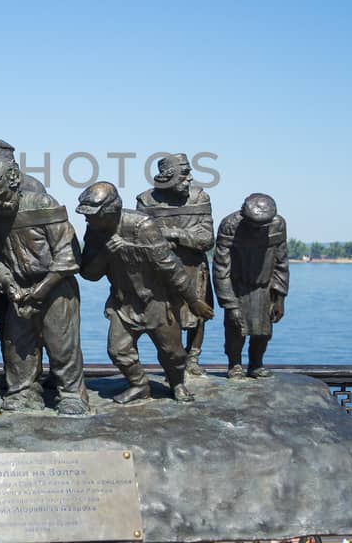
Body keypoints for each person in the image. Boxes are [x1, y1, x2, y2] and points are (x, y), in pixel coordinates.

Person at [76, 182, 215, 404]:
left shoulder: (142, 225)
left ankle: (177, 383)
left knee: (173, 352)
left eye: (92, 214)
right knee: (118, 350)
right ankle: (139, 385)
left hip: (157, 302)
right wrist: (105, 254)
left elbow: (170, 265)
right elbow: (89, 274)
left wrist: (193, 301)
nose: (87, 219)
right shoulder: (94, 231)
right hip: (124, 303)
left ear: (110, 210)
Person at [0, 156, 89, 416]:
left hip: (56, 286)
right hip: (19, 289)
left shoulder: (43, 205)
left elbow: (69, 255)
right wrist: (10, 286)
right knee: (17, 346)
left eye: (3, 196)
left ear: (14, 180)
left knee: (62, 345)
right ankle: (23, 392)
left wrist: (43, 288)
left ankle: (71, 395)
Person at [136, 154, 214, 377]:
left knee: (198, 313)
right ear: (169, 177)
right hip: (160, 269)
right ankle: (172, 359)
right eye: (185, 174)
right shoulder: (146, 200)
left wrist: (173, 234)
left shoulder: (199, 197)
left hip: (193, 266)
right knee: (165, 314)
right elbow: (142, 235)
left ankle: (193, 357)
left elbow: (206, 239)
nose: (190, 180)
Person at [213, 193, 289, 379]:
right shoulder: (230, 225)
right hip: (237, 288)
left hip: (264, 288)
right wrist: (229, 303)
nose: (257, 230)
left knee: (263, 332)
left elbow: (281, 262)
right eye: (253, 225)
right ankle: (235, 364)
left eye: (261, 227)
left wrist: (279, 298)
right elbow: (221, 268)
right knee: (235, 330)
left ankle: (256, 364)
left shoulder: (278, 224)